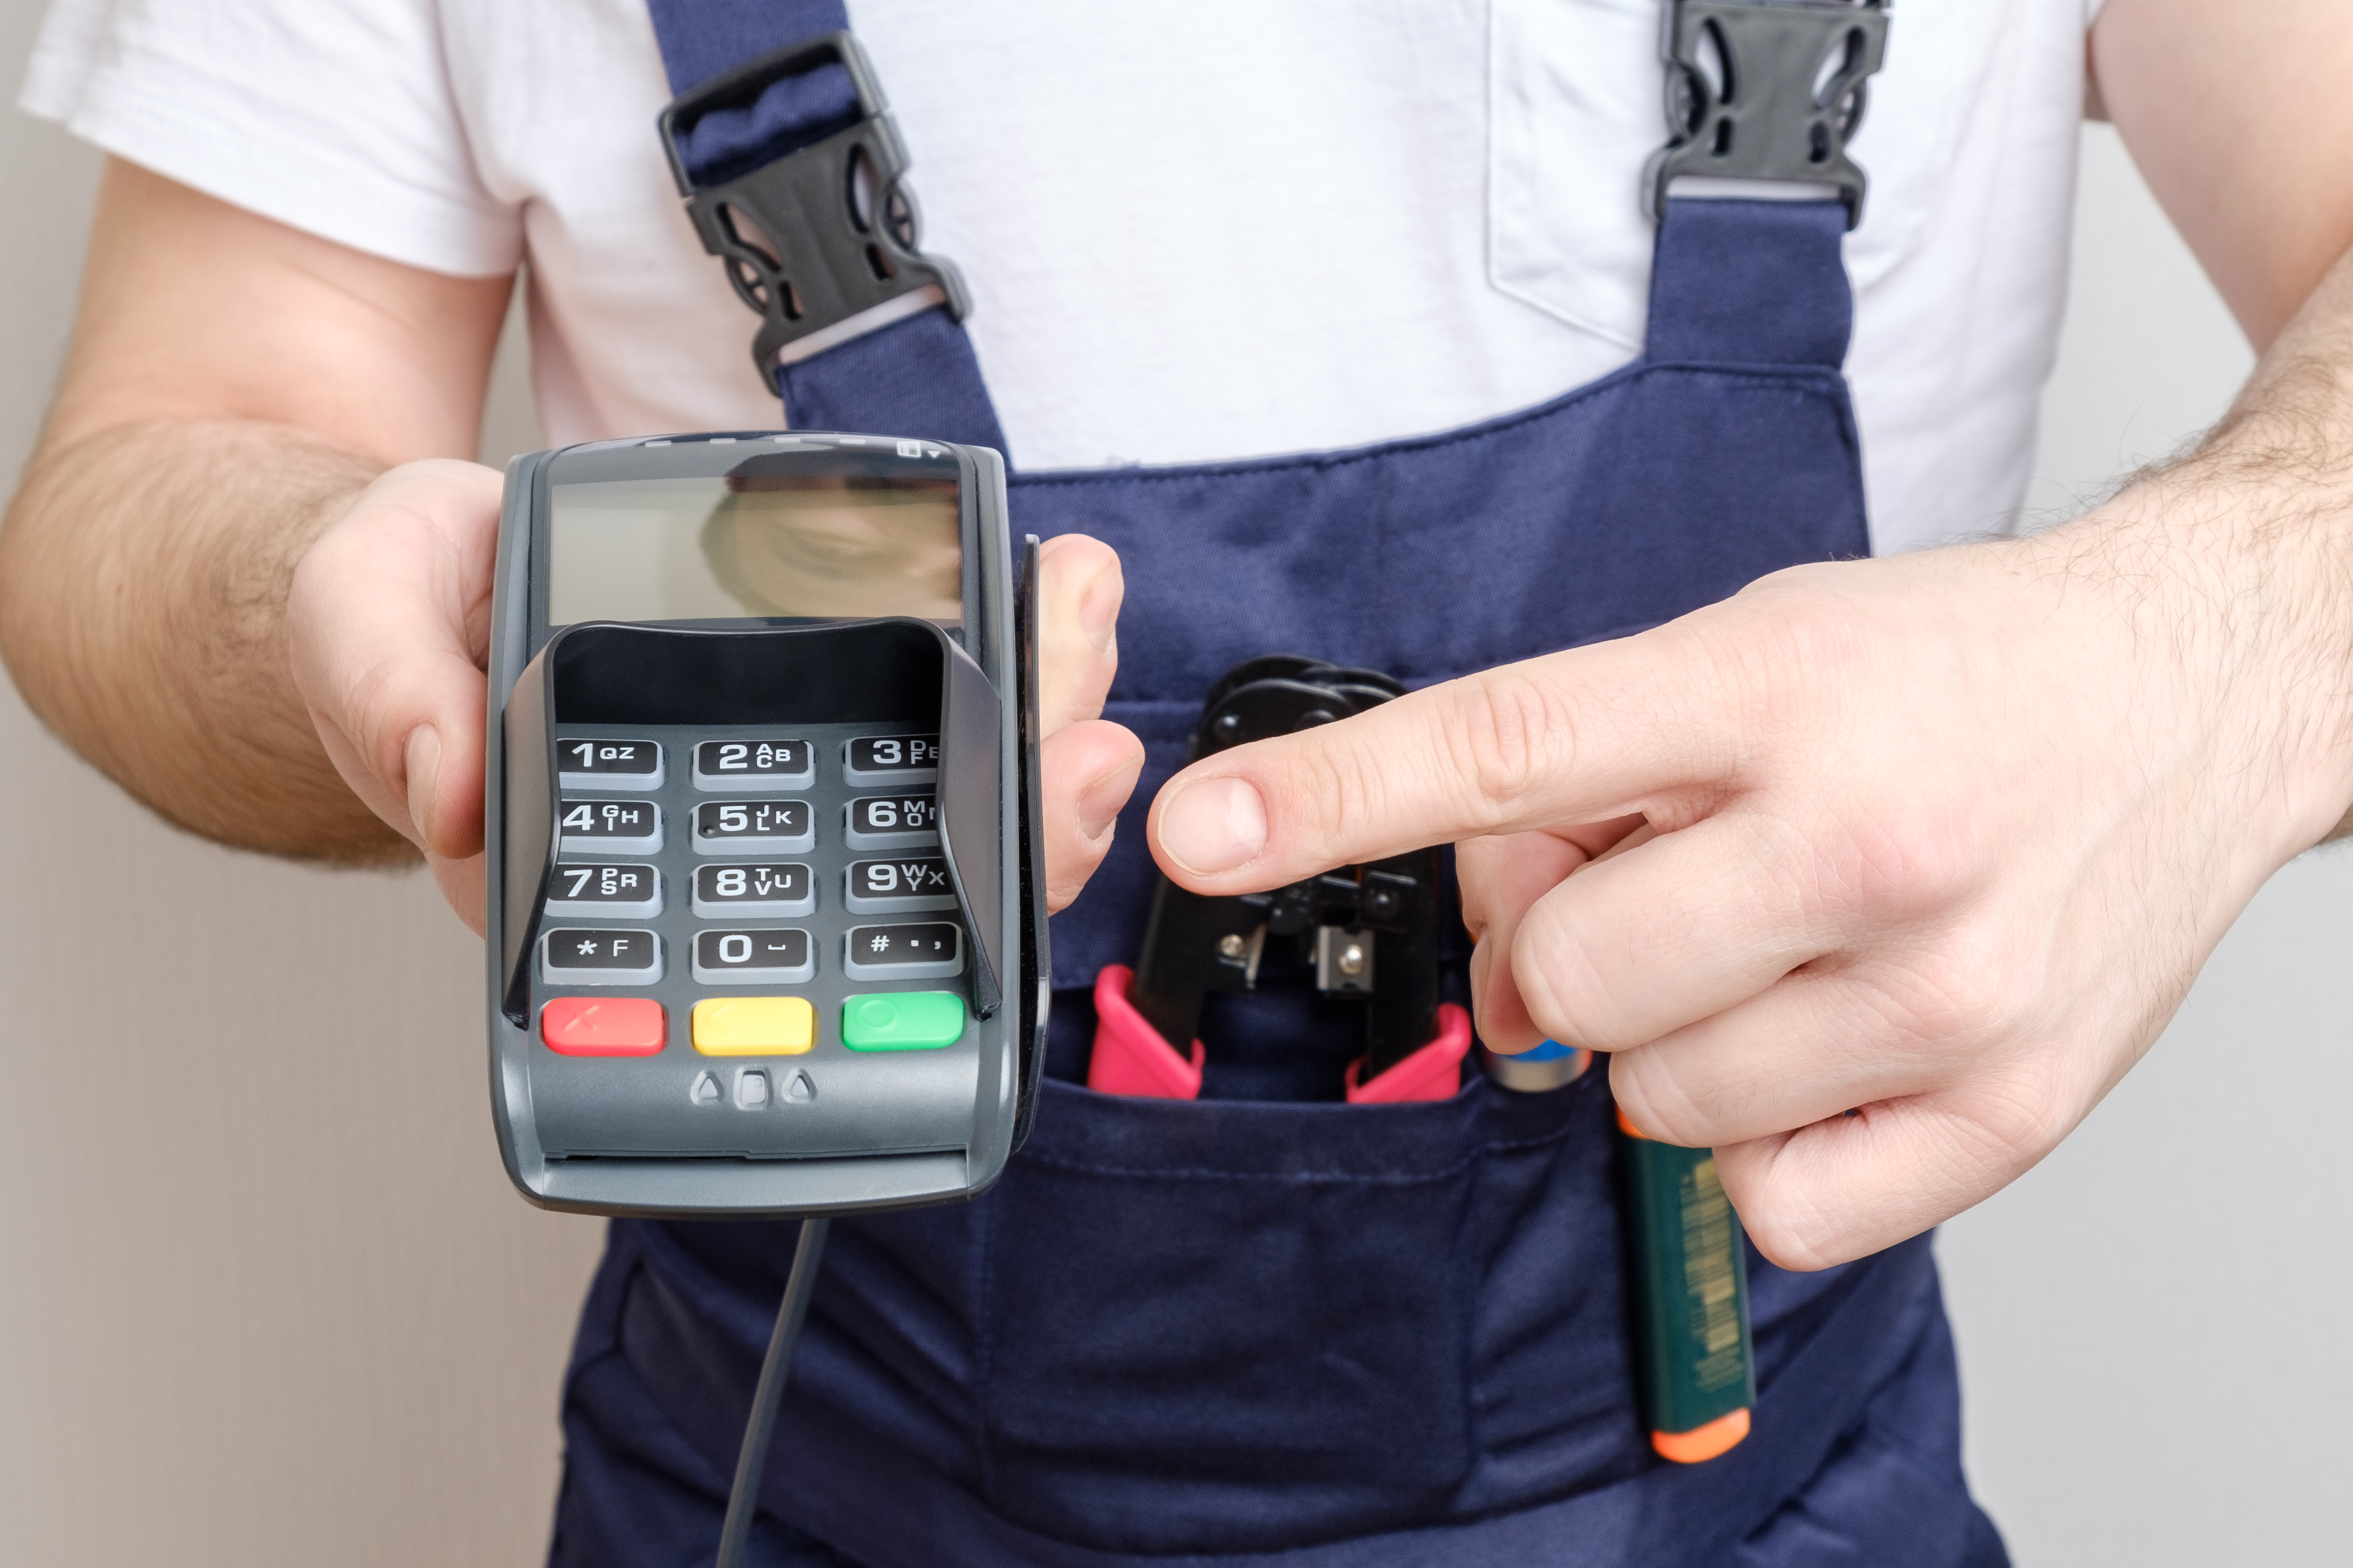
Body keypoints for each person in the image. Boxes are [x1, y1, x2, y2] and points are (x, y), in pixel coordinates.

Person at [6, 0, 2350, 1563]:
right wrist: (333, 597)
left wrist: (2212, 642)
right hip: (797, 1475)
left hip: (1753, 1478)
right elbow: (152, 475)